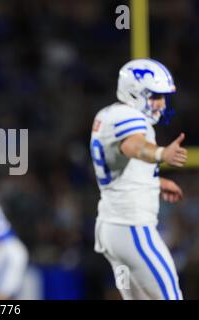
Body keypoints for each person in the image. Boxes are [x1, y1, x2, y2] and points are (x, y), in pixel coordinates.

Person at [90, 59, 187, 300]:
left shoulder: (108, 115)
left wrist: (156, 183)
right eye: (156, 96)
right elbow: (133, 145)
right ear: (135, 92)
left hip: (111, 229)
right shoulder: (128, 116)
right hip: (131, 228)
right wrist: (161, 153)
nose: (162, 104)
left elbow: (121, 166)